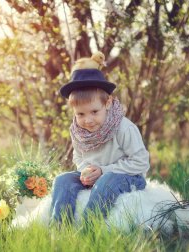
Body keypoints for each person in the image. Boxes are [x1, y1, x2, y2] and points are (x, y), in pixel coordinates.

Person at [50, 54, 150, 225]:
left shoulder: (124, 128)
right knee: (62, 180)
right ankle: (60, 229)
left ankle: (89, 228)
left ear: (108, 103)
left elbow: (141, 162)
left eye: (94, 112)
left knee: (107, 181)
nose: (88, 120)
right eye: (81, 114)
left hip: (127, 176)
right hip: (95, 175)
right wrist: (85, 172)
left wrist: (103, 170)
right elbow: (78, 156)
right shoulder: (78, 131)